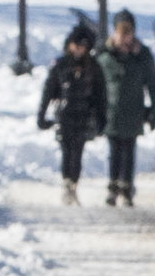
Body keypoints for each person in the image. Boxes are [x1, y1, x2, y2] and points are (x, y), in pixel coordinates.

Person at [34, 21, 109, 202]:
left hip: (83, 116)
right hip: (64, 115)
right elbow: (48, 90)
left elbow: (100, 95)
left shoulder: (93, 67)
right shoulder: (61, 65)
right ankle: (66, 182)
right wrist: (42, 114)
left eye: (82, 46)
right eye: (76, 45)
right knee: (66, 151)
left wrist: (101, 118)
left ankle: (73, 183)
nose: (78, 49)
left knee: (78, 151)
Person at [99, 12, 155, 208]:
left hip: (133, 110)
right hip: (111, 110)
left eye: (128, 32)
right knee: (114, 150)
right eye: (121, 32)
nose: (125, 37)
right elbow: (96, 82)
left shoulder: (142, 55)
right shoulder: (106, 55)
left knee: (128, 149)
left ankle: (126, 187)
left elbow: (153, 84)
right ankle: (112, 185)